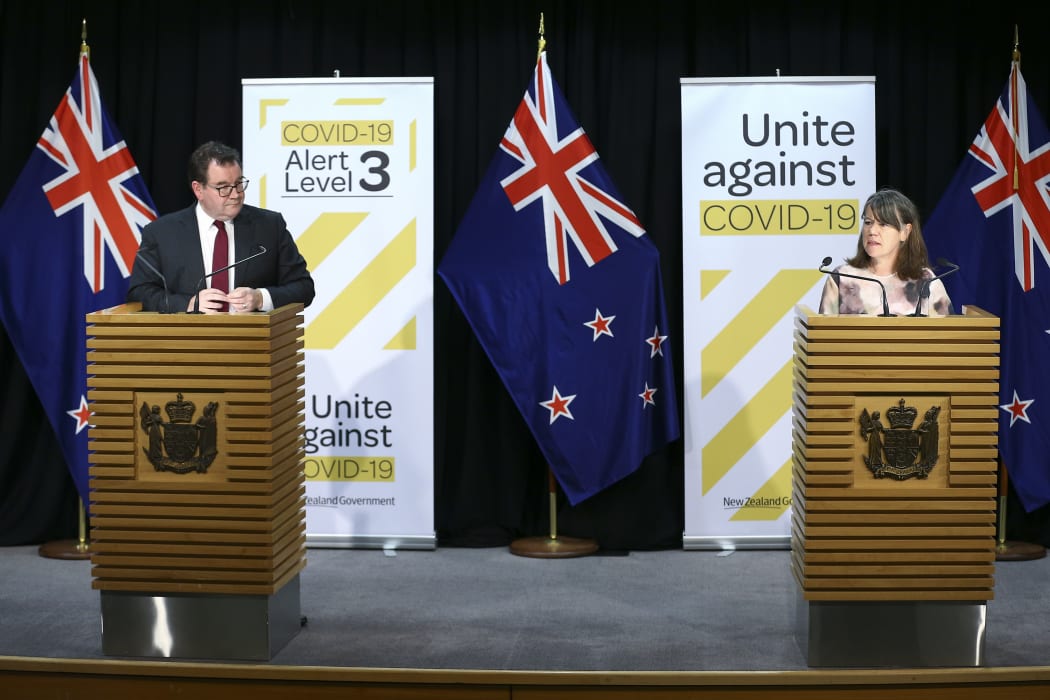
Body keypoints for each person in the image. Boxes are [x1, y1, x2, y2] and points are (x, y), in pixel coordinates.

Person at [128, 141, 315, 313]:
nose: (235, 194)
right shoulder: (162, 233)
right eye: (223, 187)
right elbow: (139, 293)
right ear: (198, 189)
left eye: (239, 184)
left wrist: (260, 298)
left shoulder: (269, 226)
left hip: (252, 343)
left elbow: (304, 288)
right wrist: (187, 304)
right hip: (186, 343)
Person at [818, 188, 953, 317]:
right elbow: (822, 336)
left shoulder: (926, 281)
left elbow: (948, 335)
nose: (872, 231)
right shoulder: (842, 278)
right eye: (868, 222)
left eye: (883, 224)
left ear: (905, 232)